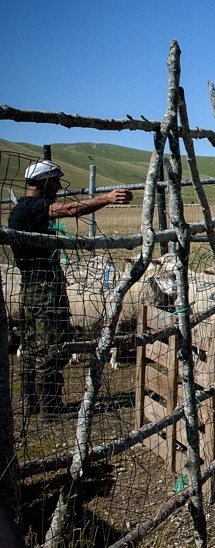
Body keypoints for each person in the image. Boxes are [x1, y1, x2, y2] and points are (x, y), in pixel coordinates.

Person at [8, 160, 134, 421]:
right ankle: (50, 408)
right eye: (54, 181)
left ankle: (32, 401)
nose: (57, 186)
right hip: (44, 287)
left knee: (32, 345)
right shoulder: (33, 206)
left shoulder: (20, 208)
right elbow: (68, 210)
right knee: (51, 345)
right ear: (42, 183)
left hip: (29, 285)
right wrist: (107, 198)